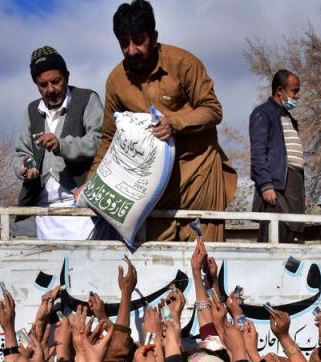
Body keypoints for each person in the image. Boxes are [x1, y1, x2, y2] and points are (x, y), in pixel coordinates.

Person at [87, 0, 237, 241]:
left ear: (153, 36)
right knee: (158, 264)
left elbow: (213, 110)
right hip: (153, 187)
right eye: (124, 43)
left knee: (204, 260)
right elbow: (108, 138)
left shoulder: (184, 64)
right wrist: (92, 182)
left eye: (138, 40)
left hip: (199, 171)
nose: (131, 50)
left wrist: (174, 123)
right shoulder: (115, 81)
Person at [15, 46, 105, 240]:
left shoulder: (86, 99)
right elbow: (22, 152)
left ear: (67, 76)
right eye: (43, 85)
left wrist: (62, 145)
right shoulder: (32, 110)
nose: (50, 90)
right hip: (44, 210)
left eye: (56, 82)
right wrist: (25, 168)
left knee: (81, 264)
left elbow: (99, 141)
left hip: (80, 206)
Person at [249, 69, 306, 242]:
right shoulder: (263, 113)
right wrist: (266, 185)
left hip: (292, 185)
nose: (297, 96)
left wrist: (301, 192)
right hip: (276, 187)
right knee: (275, 237)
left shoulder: (289, 119)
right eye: (294, 91)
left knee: (294, 237)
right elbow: (258, 152)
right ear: (280, 91)